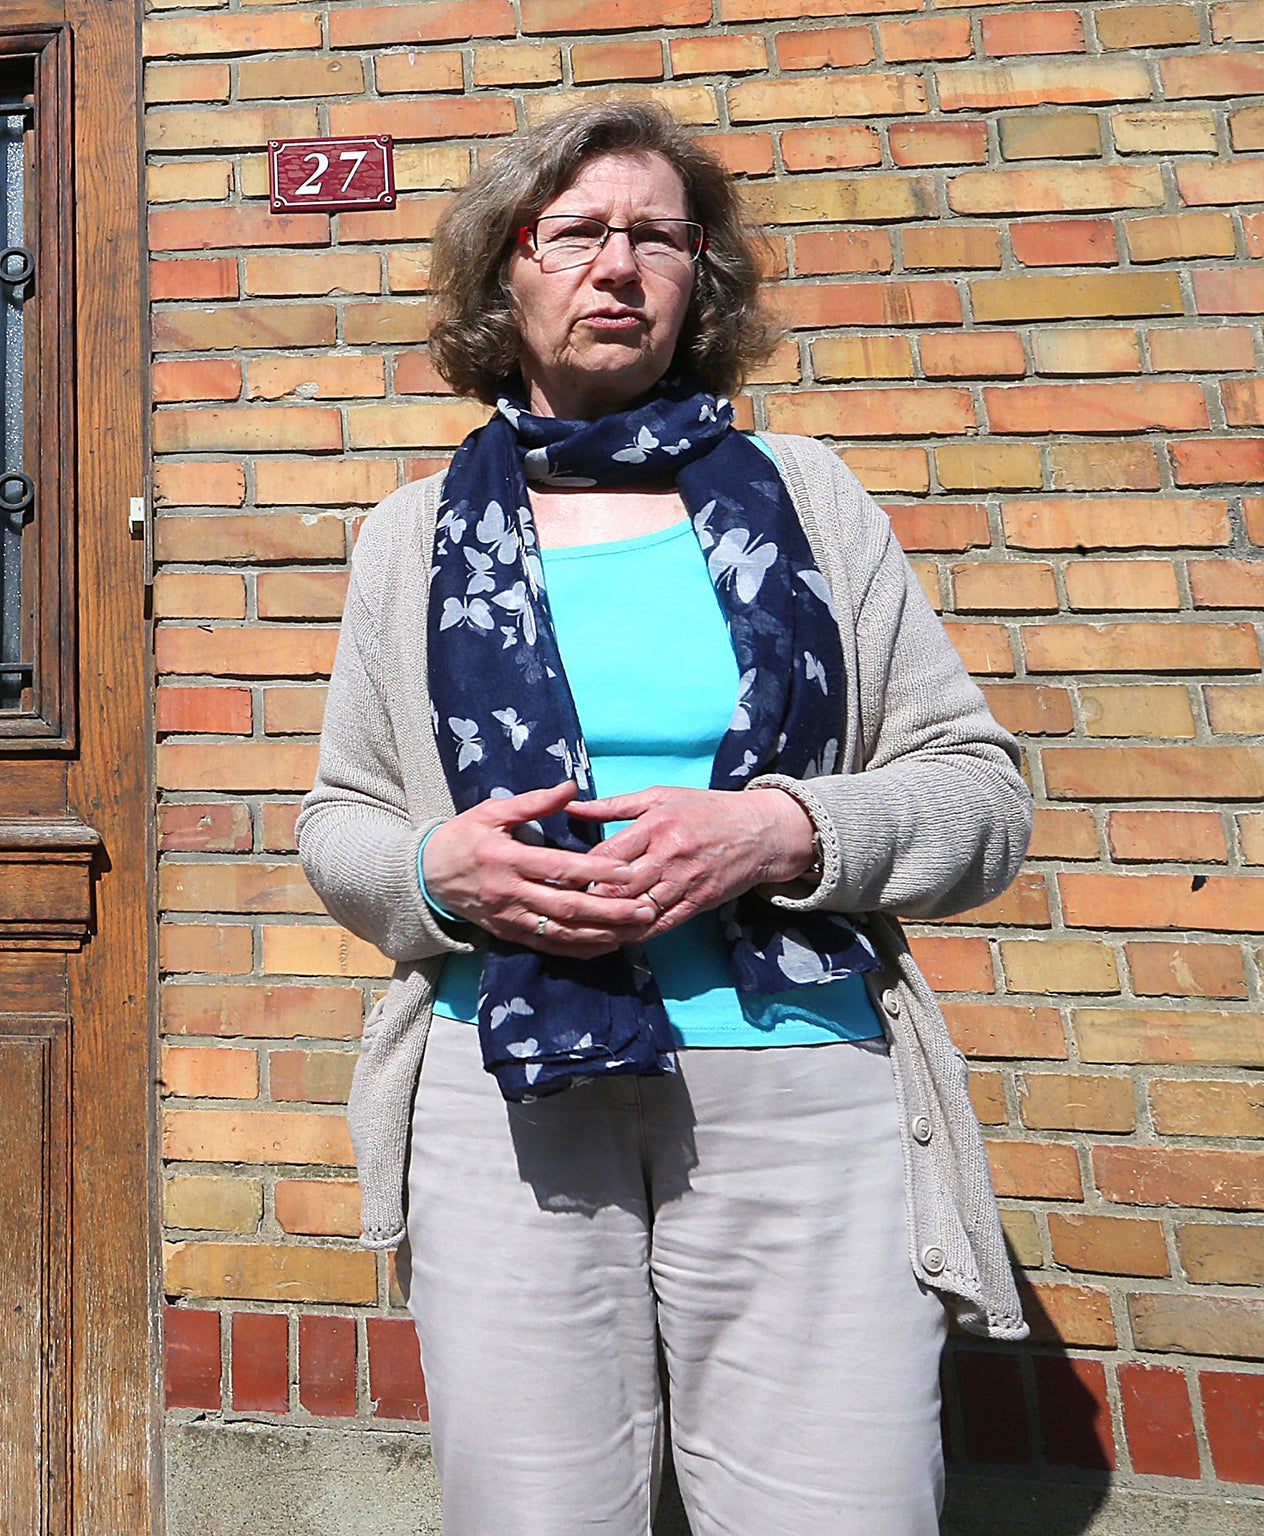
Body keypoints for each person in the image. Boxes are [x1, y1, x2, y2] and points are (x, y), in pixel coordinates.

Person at [295, 99, 1032, 1536]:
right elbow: (341, 823)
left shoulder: (806, 501)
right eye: (575, 232)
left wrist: (781, 833)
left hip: (799, 1088)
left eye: (658, 235)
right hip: (503, 1096)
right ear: (506, 272)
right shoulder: (410, 538)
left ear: (703, 279)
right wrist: (440, 877)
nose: (617, 264)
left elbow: (979, 794)